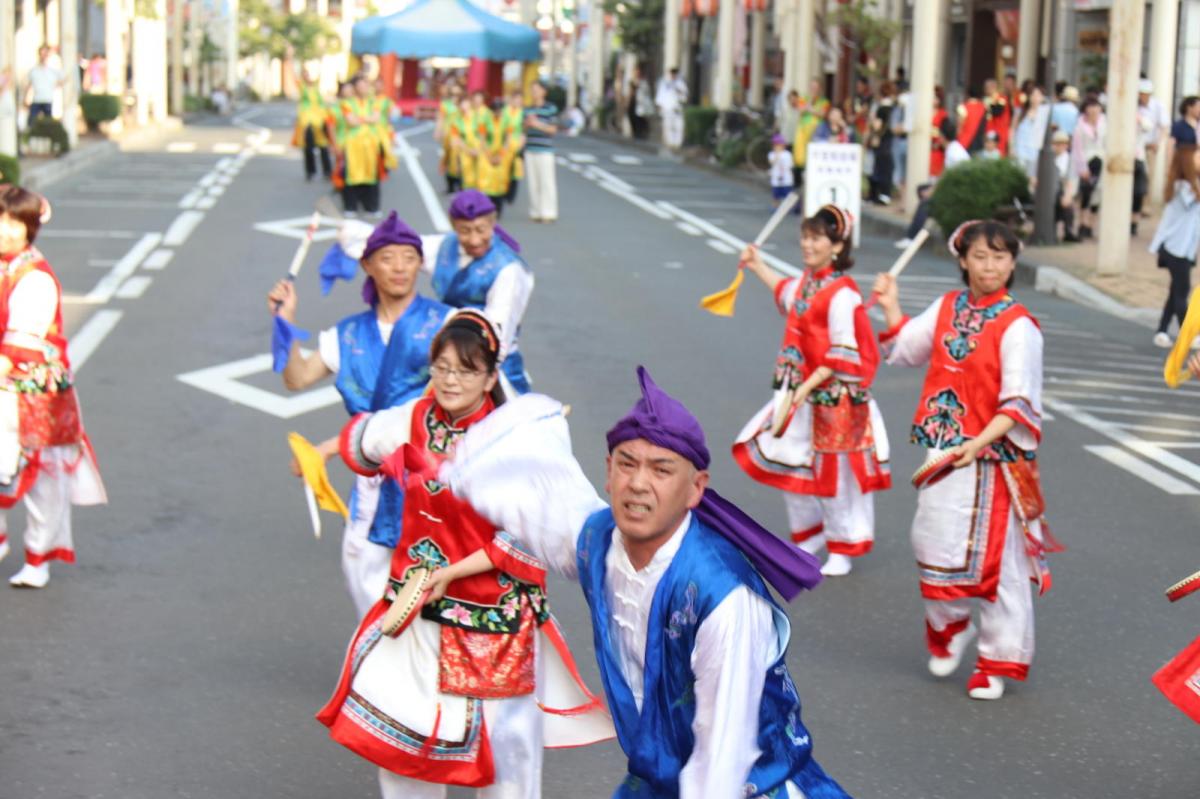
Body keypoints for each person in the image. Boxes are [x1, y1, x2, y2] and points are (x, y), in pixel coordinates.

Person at [424, 367, 853, 798]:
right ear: (608, 472)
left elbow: (722, 753)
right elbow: (546, 507)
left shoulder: (722, 597)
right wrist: (462, 466)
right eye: (627, 464)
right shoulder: (598, 541)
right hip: (661, 777)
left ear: (695, 488)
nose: (638, 484)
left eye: (662, 470)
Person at [320, 311, 612, 799]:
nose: (451, 380)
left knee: (505, 760)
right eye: (442, 368)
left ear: (491, 376)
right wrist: (324, 450)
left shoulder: (516, 440)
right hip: (417, 610)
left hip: (492, 620)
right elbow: (366, 438)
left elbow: (522, 539)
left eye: (466, 370)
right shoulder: (413, 418)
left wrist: (447, 573)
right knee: (405, 747)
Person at [873, 220, 1058, 701]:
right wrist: (891, 303)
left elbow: (1019, 402)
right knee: (930, 543)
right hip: (945, 450)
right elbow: (908, 348)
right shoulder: (947, 307)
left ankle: (995, 662)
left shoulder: (1020, 326)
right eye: (980, 256)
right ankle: (950, 627)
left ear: (1013, 263)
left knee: (1000, 565)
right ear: (962, 260)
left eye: (1000, 257)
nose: (990, 266)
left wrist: (978, 443)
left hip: (996, 460)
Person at [268, 213, 452, 617]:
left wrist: (333, 447)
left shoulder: (446, 325)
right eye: (388, 258)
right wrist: (285, 321)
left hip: (433, 478)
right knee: (364, 579)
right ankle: (381, 668)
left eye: (409, 257)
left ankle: (405, 672)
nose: (400, 267)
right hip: (371, 480)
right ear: (368, 265)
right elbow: (296, 379)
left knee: (430, 592)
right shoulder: (348, 334)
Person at [733, 206, 891, 577]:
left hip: (835, 400)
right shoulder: (808, 283)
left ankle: (841, 546)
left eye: (817, 237)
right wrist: (756, 265)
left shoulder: (842, 295)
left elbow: (841, 352)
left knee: (833, 476)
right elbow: (787, 294)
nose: (807, 244)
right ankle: (810, 533)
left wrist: (803, 388)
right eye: (805, 236)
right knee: (790, 459)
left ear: (837, 245)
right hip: (801, 392)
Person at [0, 185, 106, 588]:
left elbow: (16, 346)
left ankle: (38, 558)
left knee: (41, 479)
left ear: (31, 227)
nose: (6, 230)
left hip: (35, 394)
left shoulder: (34, 278)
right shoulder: (5, 267)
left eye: (15, 222)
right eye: (1, 220)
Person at [421, 190, 535, 394]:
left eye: (481, 229)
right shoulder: (446, 246)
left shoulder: (508, 269)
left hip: (492, 361)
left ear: (493, 223)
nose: (474, 240)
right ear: (454, 226)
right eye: (465, 231)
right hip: (452, 356)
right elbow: (405, 249)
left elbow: (498, 332)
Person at [1148, 145, 1200, 349]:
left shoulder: (1188, 187)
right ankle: (1189, 334)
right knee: (1181, 291)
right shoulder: (1183, 188)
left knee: (1175, 291)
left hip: (1182, 248)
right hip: (1174, 248)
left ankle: (1161, 330)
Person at [340, 76, 397, 217]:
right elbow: (351, 121)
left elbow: (376, 118)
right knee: (352, 174)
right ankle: (351, 206)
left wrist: (360, 118)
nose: (363, 89)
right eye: (359, 86)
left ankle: (371, 207)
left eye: (365, 85)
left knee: (372, 175)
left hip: (371, 144)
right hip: (354, 145)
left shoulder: (374, 102)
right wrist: (367, 118)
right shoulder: (347, 103)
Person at [524, 82, 558, 223]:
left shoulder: (550, 109)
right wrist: (527, 124)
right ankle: (536, 211)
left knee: (547, 182)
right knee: (533, 182)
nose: (534, 93)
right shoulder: (527, 109)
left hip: (545, 149)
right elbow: (522, 129)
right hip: (530, 148)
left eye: (537, 90)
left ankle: (548, 212)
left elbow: (553, 129)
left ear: (544, 92)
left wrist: (537, 124)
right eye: (532, 90)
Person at [1072, 97, 1106, 240]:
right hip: (1087, 161)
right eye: (1091, 107)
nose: (1094, 110)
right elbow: (1077, 149)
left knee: (1098, 194)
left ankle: (1091, 225)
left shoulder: (1105, 124)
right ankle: (1082, 223)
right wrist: (1082, 167)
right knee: (1086, 194)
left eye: (1096, 107)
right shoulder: (1079, 126)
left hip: (1102, 162)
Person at [293, 72, 332, 182]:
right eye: (305, 75)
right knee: (308, 146)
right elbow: (294, 78)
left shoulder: (316, 88)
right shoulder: (302, 88)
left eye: (309, 75)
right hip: (307, 120)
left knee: (324, 145)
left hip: (319, 119)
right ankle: (310, 171)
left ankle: (327, 171)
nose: (308, 77)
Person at [867, 81, 896, 204]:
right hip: (893, 141)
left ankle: (881, 195)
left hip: (882, 141)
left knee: (880, 168)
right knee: (888, 169)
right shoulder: (895, 107)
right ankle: (886, 194)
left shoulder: (881, 108)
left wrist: (872, 125)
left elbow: (877, 126)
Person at [1012, 85, 1049, 180]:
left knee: (1033, 178)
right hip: (1020, 149)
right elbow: (1013, 130)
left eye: (1038, 95)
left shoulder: (1045, 112)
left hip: (1036, 150)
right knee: (1019, 176)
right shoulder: (1021, 112)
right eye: (1033, 95)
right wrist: (1011, 147)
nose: (1035, 98)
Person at [24, 46, 63, 127]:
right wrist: (25, 99)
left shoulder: (53, 70)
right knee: (31, 124)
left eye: (45, 54)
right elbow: (28, 85)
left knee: (48, 125)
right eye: (42, 54)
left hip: (48, 100)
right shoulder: (34, 70)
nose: (43, 56)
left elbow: (62, 80)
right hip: (36, 100)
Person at [655, 67, 687, 149]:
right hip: (667, 108)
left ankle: (677, 143)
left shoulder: (680, 83)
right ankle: (670, 142)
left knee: (678, 126)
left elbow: (684, 95)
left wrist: (679, 92)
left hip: (677, 108)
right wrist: (659, 106)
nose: (673, 76)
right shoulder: (665, 83)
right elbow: (661, 95)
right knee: (668, 125)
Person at [956, 85, 988, 155]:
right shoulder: (984, 107)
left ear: (968, 94)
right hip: (979, 142)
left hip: (964, 142)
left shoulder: (963, 107)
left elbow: (959, 126)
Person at [767, 134, 794, 206]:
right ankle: (776, 206)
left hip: (786, 178)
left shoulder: (787, 154)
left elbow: (790, 165)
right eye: (775, 145)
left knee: (787, 194)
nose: (776, 146)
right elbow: (771, 162)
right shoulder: (771, 154)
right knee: (776, 195)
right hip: (776, 178)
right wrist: (777, 155)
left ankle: (787, 207)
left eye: (778, 144)